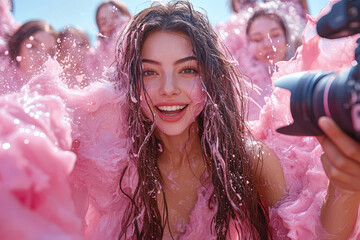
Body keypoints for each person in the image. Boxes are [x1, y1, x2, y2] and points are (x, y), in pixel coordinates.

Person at [1, 1, 360, 240]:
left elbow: (312, 234)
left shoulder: (249, 159)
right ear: (130, 82)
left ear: (210, 78)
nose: (168, 90)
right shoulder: (111, 167)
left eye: (187, 70)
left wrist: (348, 184)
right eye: (150, 73)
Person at [1, 20, 58, 94]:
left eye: (50, 52)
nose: (42, 56)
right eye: (33, 46)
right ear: (17, 46)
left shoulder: (55, 89)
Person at [94, 1, 131, 72]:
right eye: (103, 22)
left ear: (127, 16)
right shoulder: (96, 59)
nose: (109, 23)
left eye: (115, 17)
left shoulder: (141, 41)